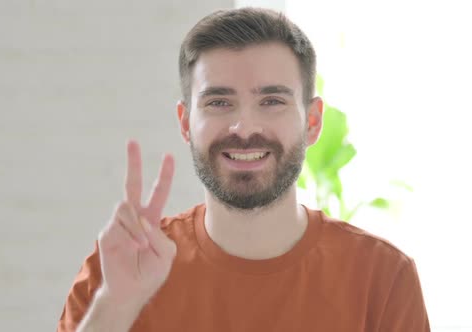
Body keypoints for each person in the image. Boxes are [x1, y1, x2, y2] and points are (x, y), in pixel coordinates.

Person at [57, 7, 430, 332]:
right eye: (219, 102)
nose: (244, 127)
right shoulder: (121, 271)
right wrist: (117, 306)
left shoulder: (382, 277)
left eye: (272, 100)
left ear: (313, 122)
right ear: (185, 123)